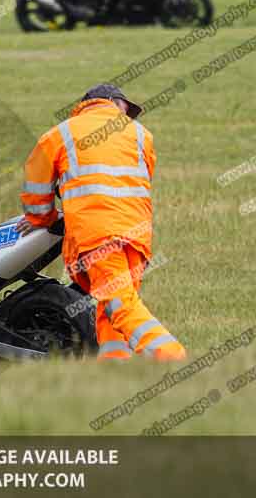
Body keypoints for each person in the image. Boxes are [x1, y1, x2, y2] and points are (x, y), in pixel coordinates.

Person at [17, 84, 186, 361]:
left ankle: (171, 357)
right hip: (136, 235)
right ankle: (114, 366)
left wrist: (42, 219)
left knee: (120, 305)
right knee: (110, 305)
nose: (127, 114)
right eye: (126, 108)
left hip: (97, 235)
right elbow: (140, 180)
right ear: (113, 103)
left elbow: (36, 187)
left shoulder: (61, 134)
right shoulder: (141, 135)